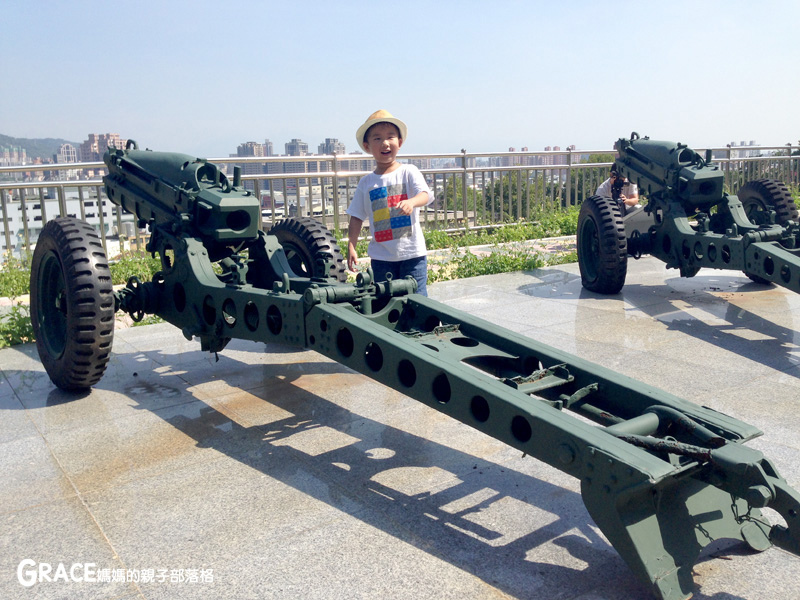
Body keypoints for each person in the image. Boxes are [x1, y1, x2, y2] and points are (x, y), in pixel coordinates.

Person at [346, 109, 435, 295]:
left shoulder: (408, 171)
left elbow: (425, 195)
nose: (385, 143)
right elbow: (356, 217)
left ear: (399, 142)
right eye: (377, 138)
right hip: (381, 258)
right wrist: (351, 246)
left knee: (417, 300)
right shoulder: (367, 183)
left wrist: (412, 202)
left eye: (390, 137)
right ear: (367, 146)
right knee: (385, 302)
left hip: (412, 255)